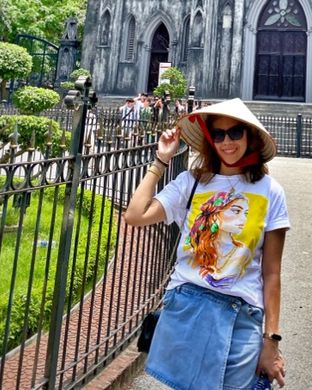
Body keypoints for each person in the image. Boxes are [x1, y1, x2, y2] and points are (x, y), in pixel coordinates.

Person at [124, 98, 289, 389]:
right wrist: (160, 161)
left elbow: (272, 273)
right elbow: (135, 216)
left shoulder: (270, 192)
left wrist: (271, 341)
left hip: (241, 316)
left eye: (235, 132)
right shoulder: (193, 182)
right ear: (210, 140)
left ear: (249, 136)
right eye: (219, 134)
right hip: (187, 308)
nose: (227, 141)